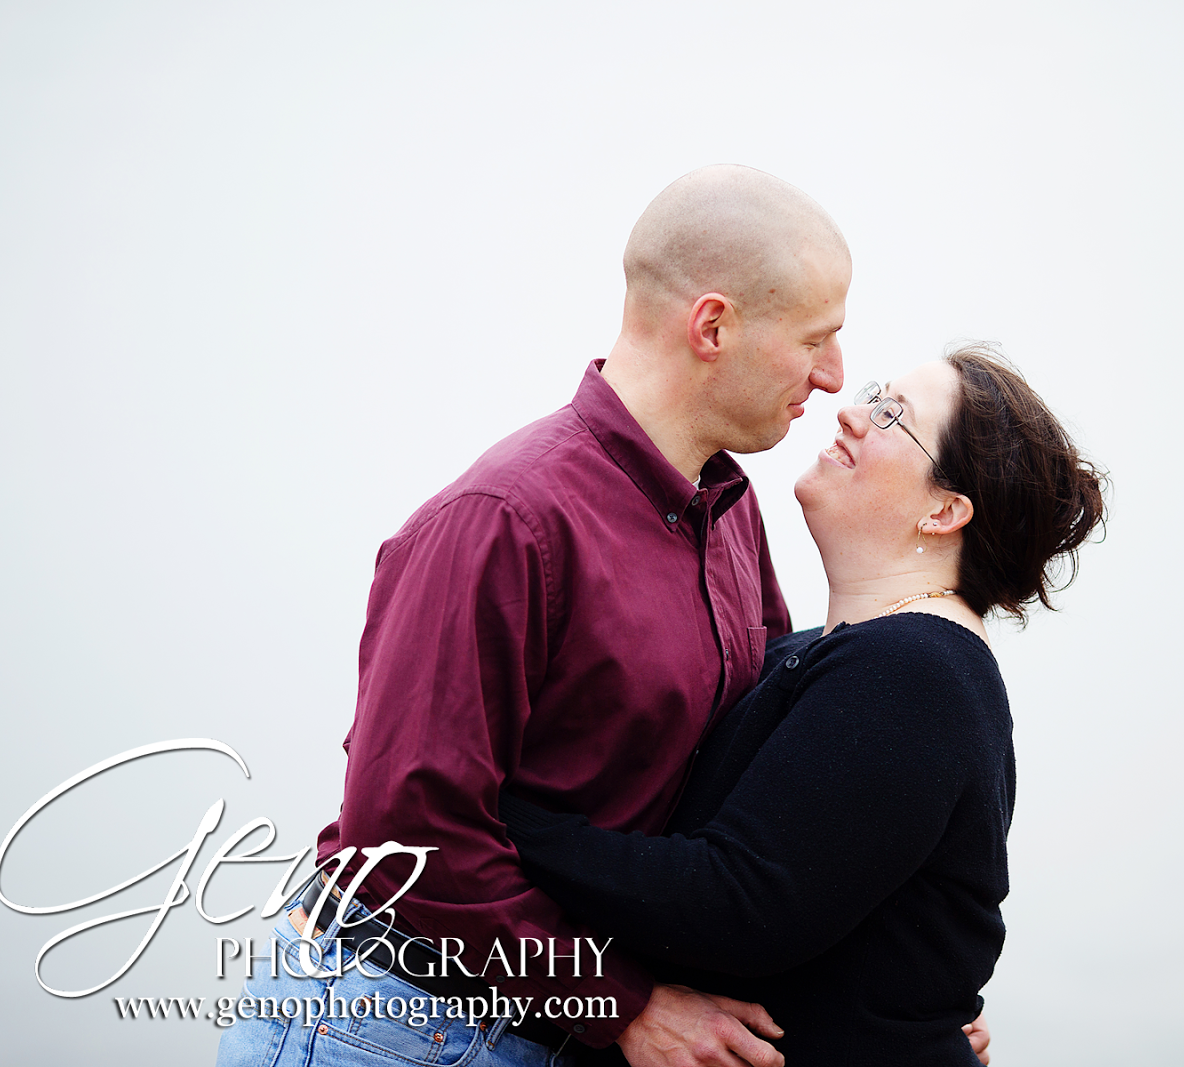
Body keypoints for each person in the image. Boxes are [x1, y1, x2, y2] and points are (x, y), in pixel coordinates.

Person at [215, 164, 850, 1067]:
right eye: (816, 339)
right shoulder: (503, 520)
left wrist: (904, 1011)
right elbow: (404, 839)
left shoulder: (728, 512)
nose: (833, 375)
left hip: (556, 1030)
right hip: (391, 1021)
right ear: (713, 326)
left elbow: (744, 800)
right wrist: (625, 1006)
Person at [501, 345, 1108, 1066]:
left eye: (893, 415)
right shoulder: (829, 653)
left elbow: (739, 902)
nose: (852, 413)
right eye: (875, 394)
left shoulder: (915, 670)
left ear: (945, 511)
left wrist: (496, 821)